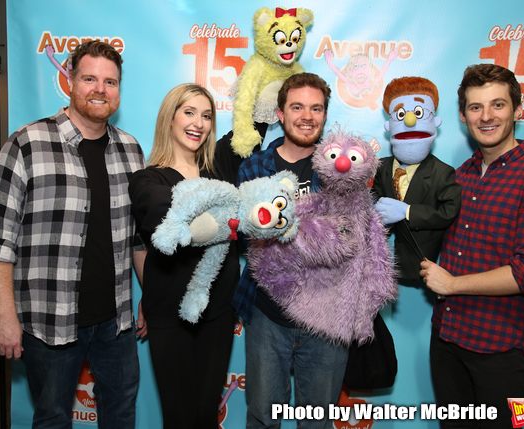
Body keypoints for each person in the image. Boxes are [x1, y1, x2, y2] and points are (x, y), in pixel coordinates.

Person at [0, 40, 144, 428]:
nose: (100, 89)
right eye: (89, 78)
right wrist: (4, 315)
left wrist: (148, 293)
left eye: (110, 81)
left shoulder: (131, 151)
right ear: (69, 81)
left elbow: (138, 237)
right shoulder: (27, 143)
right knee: (51, 418)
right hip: (49, 322)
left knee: (121, 416)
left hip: (116, 323)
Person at [420, 63, 524, 428]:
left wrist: (452, 284)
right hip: (447, 339)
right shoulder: (460, 176)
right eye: (475, 107)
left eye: (497, 105)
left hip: (498, 350)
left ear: (517, 110)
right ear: (462, 115)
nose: (486, 117)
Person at [128, 83, 250, 428]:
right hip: (170, 313)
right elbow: (159, 217)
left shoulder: (220, 170)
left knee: (206, 415)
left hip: (220, 313)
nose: (199, 122)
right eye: (189, 112)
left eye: (207, 115)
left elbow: (253, 120)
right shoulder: (146, 179)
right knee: (180, 417)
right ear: (170, 118)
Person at [233, 72, 349, 429]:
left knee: (317, 422)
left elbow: (350, 239)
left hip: (326, 316)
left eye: (316, 108)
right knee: (263, 418)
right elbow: (242, 236)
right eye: (297, 107)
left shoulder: (342, 168)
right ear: (280, 114)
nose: (307, 116)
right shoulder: (253, 168)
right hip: (268, 314)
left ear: (325, 116)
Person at [373, 76, 461, 282]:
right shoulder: (381, 167)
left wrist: (407, 211)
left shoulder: (443, 172)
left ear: (435, 121)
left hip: (421, 269)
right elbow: (372, 197)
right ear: (389, 125)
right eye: (401, 114)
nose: (410, 120)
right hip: (379, 270)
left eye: (418, 113)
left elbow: (448, 212)